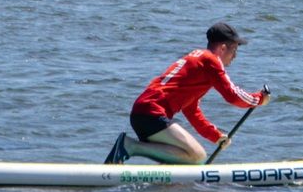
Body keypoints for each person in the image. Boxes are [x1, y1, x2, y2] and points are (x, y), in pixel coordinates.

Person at [106, 21, 269, 165]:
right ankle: (130, 147)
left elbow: (191, 110)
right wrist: (259, 99)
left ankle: (158, 179)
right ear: (223, 48)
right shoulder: (211, 61)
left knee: (184, 156)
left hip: (142, 113)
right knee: (197, 157)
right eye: (234, 50)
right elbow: (232, 95)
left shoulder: (198, 60)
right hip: (152, 113)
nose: (235, 56)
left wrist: (215, 135)